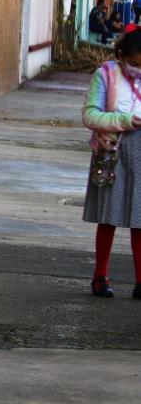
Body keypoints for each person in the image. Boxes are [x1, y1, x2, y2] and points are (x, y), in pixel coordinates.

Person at [81, 27, 141, 299]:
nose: (138, 69)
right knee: (108, 216)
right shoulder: (105, 74)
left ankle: (140, 281)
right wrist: (124, 122)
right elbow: (90, 115)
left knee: (140, 219)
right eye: (135, 64)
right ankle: (100, 277)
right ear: (121, 56)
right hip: (112, 151)